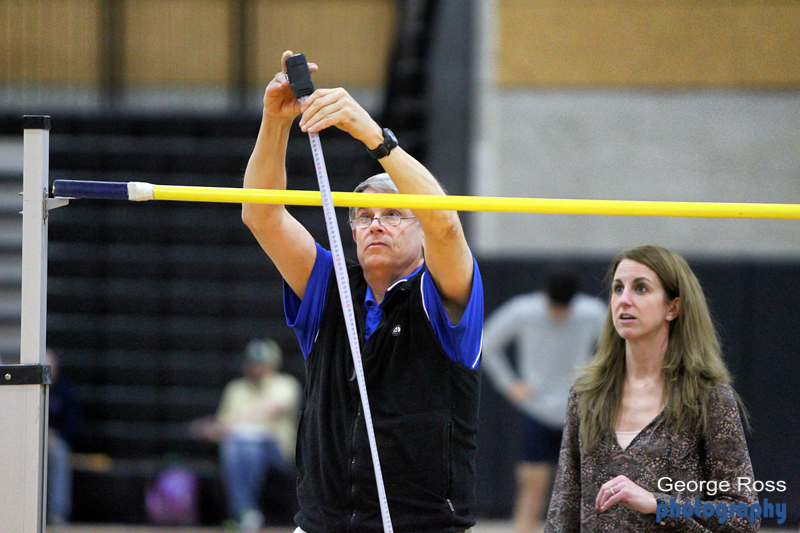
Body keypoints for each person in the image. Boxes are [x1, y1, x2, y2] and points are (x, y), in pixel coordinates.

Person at [241, 51, 483, 533]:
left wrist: (372, 135)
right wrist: (275, 119)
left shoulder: (442, 293)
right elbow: (261, 215)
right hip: (321, 523)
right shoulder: (327, 284)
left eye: (393, 214)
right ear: (350, 230)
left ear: (418, 230)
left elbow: (448, 226)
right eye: (364, 216)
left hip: (422, 525)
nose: (376, 225)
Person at [545, 245, 759, 532]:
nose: (624, 300)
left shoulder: (709, 397)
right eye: (618, 288)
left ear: (673, 307)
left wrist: (659, 503)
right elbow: (564, 507)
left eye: (641, 289)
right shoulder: (586, 394)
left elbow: (744, 516)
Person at [482, 270, 605, 533]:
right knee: (532, 490)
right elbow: (488, 343)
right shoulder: (524, 311)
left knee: (587, 491)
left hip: (578, 411)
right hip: (537, 411)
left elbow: (619, 347)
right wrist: (509, 385)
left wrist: (599, 383)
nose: (558, 315)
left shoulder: (591, 313)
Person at [192, 339, 301, 531]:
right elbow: (222, 431)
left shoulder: (285, 384)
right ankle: (246, 511)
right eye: (253, 363)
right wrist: (211, 430)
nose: (257, 368)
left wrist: (223, 425)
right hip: (241, 448)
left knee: (248, 446)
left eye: (262, 363)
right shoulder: (236, 388)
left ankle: (244, 509)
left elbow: (270, 410)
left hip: (278, 450)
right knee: (235, 445)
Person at [46, 348, 83, 525]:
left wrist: (55, 433)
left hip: (54, 441)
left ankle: (57, 513)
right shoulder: (27, 390)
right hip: (30, 439)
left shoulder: (64, 390)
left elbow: (74, 426)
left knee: (58, 454)